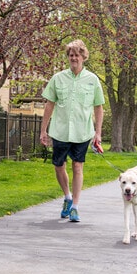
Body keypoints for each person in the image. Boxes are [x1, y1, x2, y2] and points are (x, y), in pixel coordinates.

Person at [39, 39, 104, 222]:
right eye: (71, 55)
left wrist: (98, 133)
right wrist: (43, 130)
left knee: (77, 165)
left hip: (83, 131)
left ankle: (75, 206)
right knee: (59, 166)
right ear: (68, 57)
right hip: (60, 130)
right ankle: (67, 197)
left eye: (77, 55)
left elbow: (99, 107)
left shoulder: (92, 80)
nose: (74, 58)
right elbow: (49, 104)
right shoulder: (58, 78)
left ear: (84, 57)